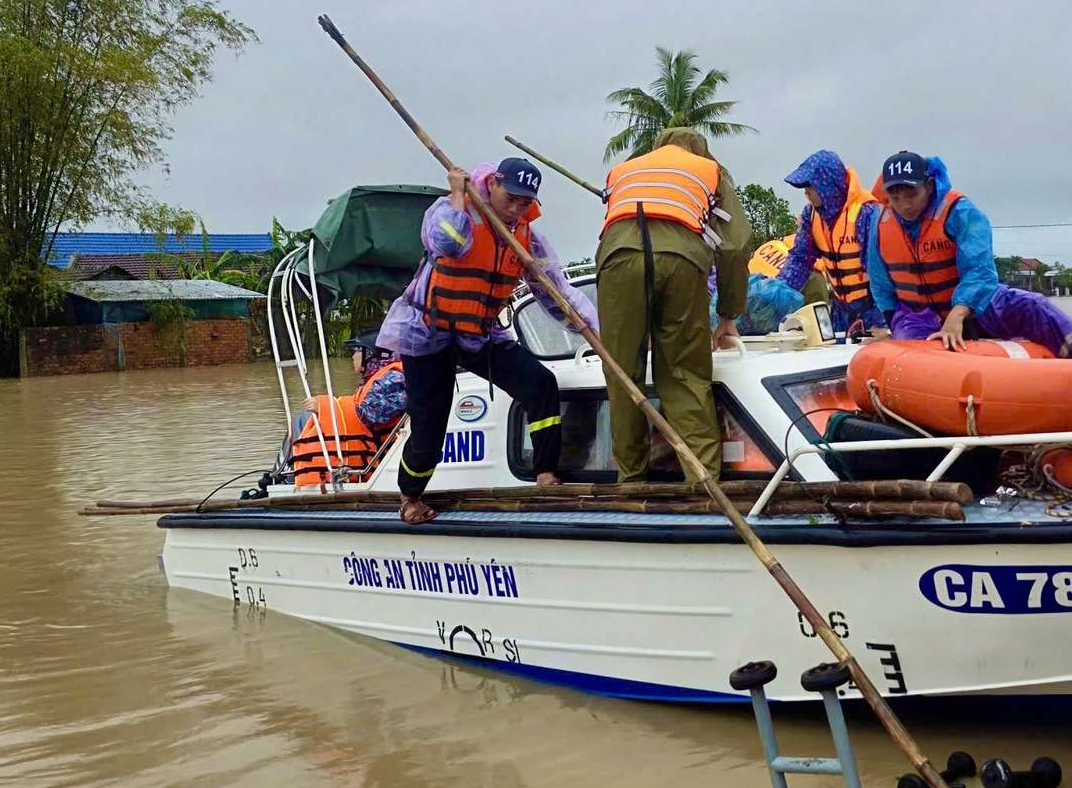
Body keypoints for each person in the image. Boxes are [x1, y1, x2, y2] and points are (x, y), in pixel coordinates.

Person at [376, 157, 595, 524]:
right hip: (429, 329)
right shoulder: (451, 208)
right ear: (492, 184)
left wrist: (592, 329)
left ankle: (544, 472)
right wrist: (459, 195)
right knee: (430, 423)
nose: (515, 208)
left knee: (540, 382)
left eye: (524, 203)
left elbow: (553, 289)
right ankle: (410, 496)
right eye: (510, 198)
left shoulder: (524, 235)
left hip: (478, 332)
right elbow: (445, 242)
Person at [596, 127, 753, 481]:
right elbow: (734, 245)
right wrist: (728, 314)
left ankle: (631, 483)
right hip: (682, 260)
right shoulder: (708, 170)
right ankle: (704, 483)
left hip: (617, 259)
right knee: (684, 373)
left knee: (622, 373)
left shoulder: (626, 169)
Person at [863, 151, 1072, 357]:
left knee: (1034, 305)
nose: (904, 205)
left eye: (911, 194)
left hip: (977, 306)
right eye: (895, 198)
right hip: (918, 315)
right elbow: (880, 281)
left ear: (929, 186)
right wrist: (893, 321)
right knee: (913, 352)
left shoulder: (960, 212)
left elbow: (980, 270)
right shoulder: (880, 223)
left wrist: (958, 313)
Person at [777, 151, 884, 336]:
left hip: (874, 312)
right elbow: (800, 259)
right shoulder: (811, 216)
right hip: (840, 314)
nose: (806, 193)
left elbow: (880, 273)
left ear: (827, 185)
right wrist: (777, 294)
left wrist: (884, 321)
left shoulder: (866, 214)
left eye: (810, 186)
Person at [284, 332, 405, 487]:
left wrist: (324, 405)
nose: (353, 356)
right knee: (305, 419)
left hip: (383, 461)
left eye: (357, 351)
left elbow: (370, 415)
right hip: (377, 460)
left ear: (371, 354)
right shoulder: (379, 378)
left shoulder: (393, 379)